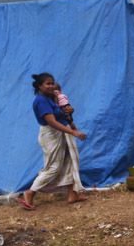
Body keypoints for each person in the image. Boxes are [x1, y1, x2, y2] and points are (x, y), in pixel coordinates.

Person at [19, 73, 87, 210]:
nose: (51, 86)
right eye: (48, 84)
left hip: (62, 132)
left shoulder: (52, 98)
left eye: (52, 83)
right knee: (54, 167)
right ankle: (30, 192)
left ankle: (72, 194)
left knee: (70, 161)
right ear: (40, 86)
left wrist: (71, 121)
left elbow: (63, 115)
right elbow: (52, 122)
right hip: (51, 135)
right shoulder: (41, 101)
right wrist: (73, 132)